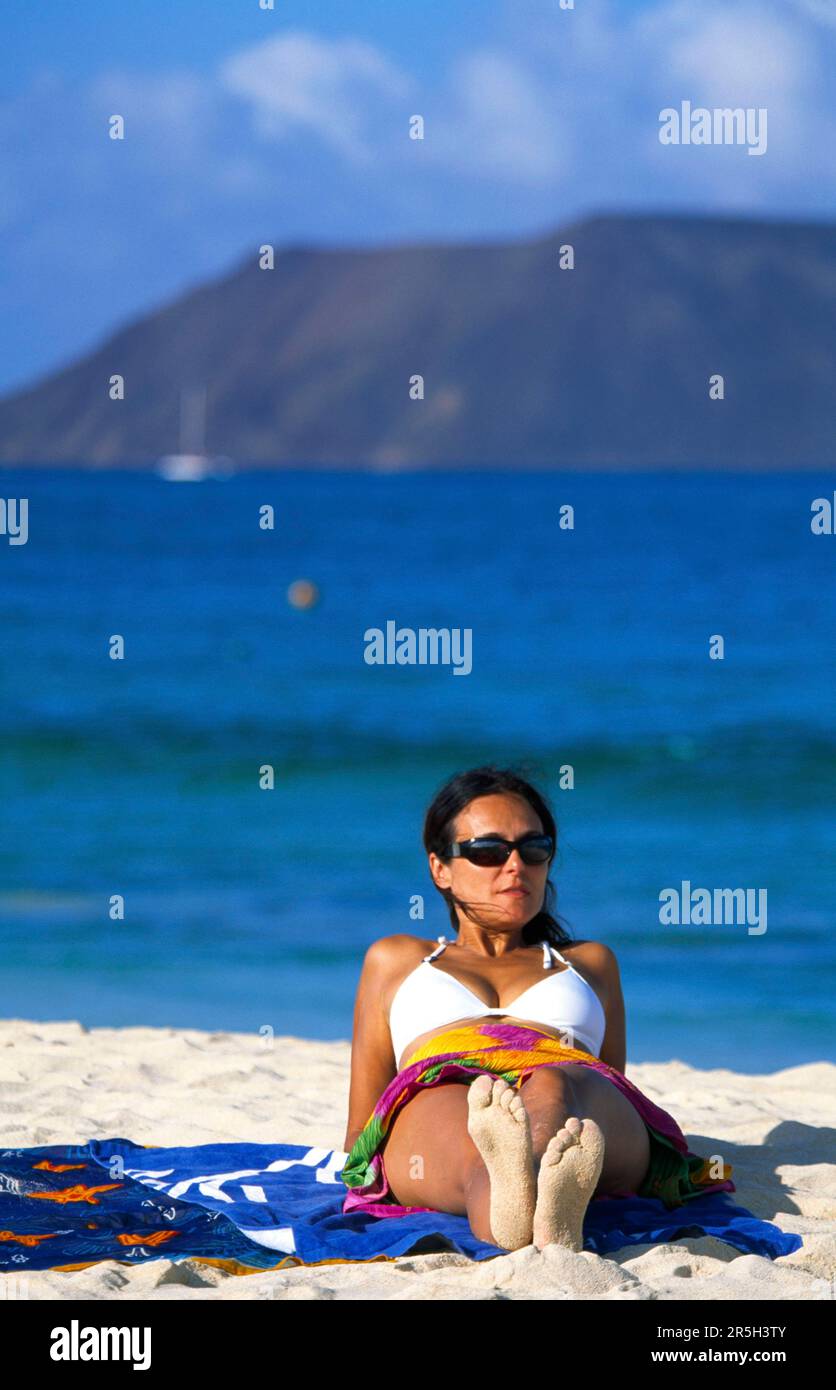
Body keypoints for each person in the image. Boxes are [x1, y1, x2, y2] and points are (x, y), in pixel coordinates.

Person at [341, 766, 734, 1251]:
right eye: (487, 851)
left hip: (573, 1095)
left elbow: (609, 1086)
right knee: (467, 1110)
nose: (515, 866)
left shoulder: (589, 963)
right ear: (439, 868)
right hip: (442, 1089)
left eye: (533, 848)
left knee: (555, 1082)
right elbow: (361, 1125)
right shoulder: (397, 958)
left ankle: (529, 1182)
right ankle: (525, 1203)